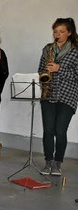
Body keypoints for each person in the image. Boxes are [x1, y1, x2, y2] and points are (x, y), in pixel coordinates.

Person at [37, 18, 78, 176]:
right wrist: (43, 75)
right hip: (49, 94)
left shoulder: (75, 50)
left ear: (69, 33)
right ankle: (48, 162)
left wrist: (59, 68)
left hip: (67, 95)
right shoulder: (48, 49)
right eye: (55, 31)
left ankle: (58, 163)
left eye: (62, 31)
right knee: (48, 130)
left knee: (60, 131)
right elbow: (40, 69)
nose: (58, 34)